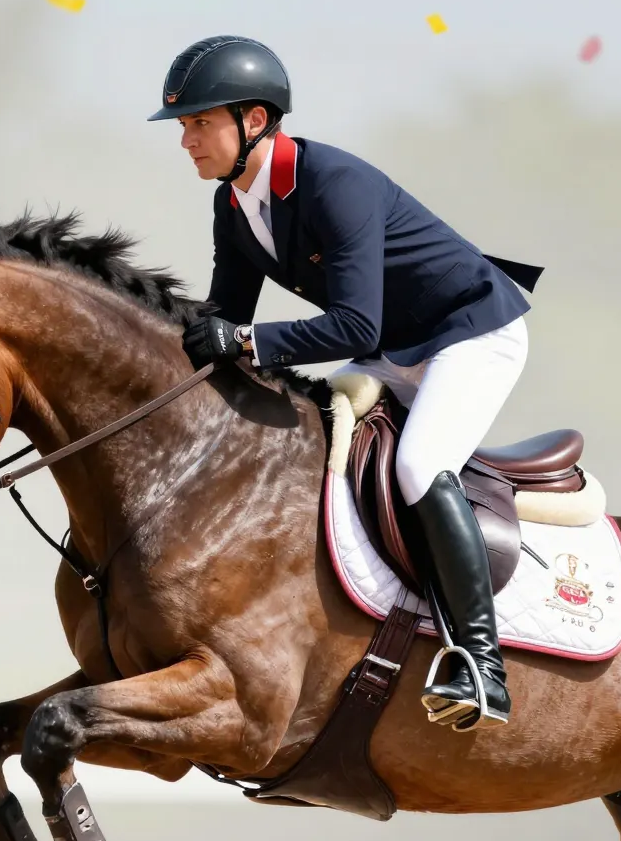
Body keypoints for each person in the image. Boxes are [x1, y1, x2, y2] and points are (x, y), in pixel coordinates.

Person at [156, 35, 541, 732]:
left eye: (200, 123)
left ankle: (483, 667)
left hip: (470, 332)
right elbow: (226, 317)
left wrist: (244, 341)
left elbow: (353, 326)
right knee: (314, 444)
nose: (186, 141)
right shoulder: (232, 204)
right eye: (183, 125)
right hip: (393, 346)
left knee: (420, 464)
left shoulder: (335, 184)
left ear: (254, 120)